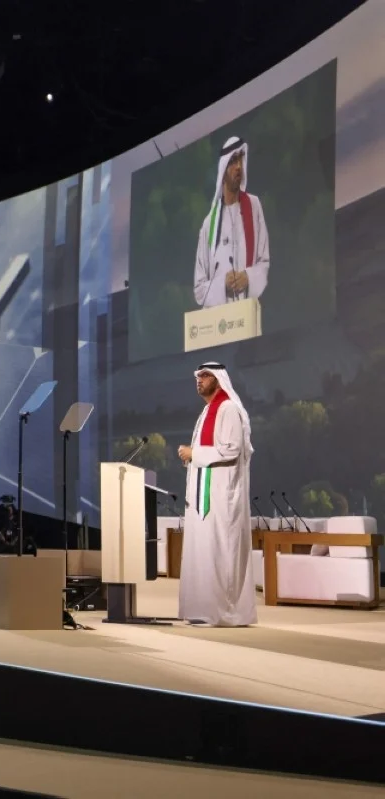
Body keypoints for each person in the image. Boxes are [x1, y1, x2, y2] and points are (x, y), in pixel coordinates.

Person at [176, 362, 257, 627]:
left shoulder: (228, 408)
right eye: (197, 376)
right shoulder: (208, 410)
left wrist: (194, 454)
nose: (199, 380)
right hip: (203, 493)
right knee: (203, 551)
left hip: (222, 497)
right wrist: (191, 456)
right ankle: (203, 609)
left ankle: (225, 612)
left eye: (205, 376)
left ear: (219, 379)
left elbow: (231, 449)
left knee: (222, 550)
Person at [194, 136, 269, 308]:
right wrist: (223, 285)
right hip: (217, 324)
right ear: (223, 169)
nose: (239, 167)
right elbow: (199, 290)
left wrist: (248, 278)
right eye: (233, 161)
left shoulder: (254, 206)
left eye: (241, 158)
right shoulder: (208, 225)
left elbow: (264, 264)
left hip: (247, 318)